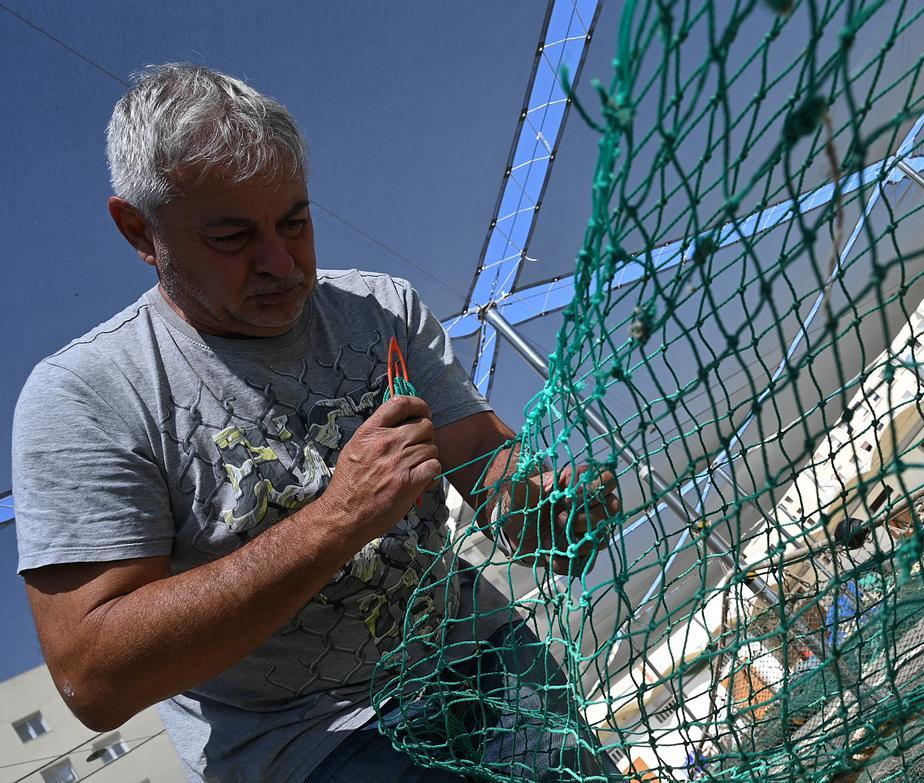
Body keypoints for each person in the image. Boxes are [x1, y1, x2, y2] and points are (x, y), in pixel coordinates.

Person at [11, 63, 620, 782]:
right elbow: (97, 676)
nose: (282, 262)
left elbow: (487, 469)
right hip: (307, 736)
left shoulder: (381, 308)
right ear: (139, 231)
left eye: (295, 221)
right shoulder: (86, 397)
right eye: (233, 237)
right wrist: (339, 518)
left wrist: (546, 503)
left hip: (477, 656)